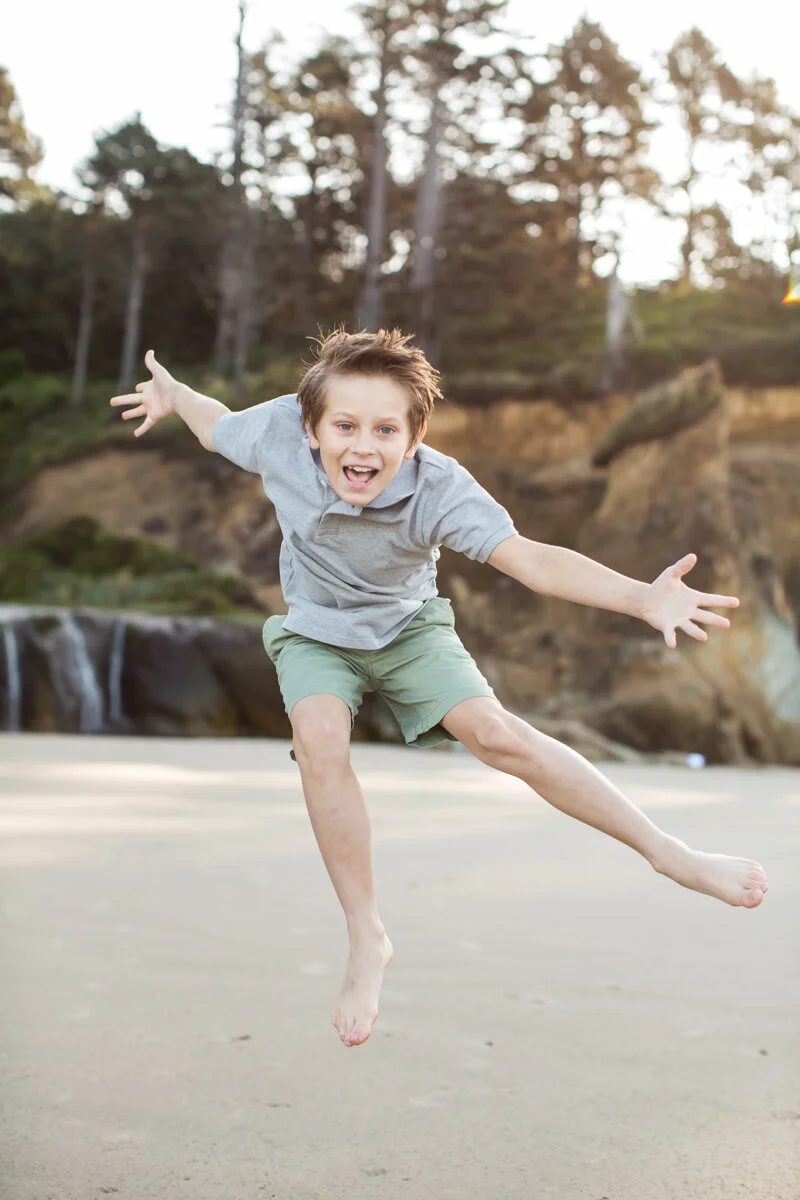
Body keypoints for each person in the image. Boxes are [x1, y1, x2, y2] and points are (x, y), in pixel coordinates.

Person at [110, 329, 768, 1049]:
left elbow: (534, 562)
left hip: (408, 629)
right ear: (311, 427)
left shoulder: (442, 488)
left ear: (415, 437)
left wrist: (643, 597)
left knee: (497, 735)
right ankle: (367, 937)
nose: (363, 447)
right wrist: (174, 395)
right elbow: (214, 424)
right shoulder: (273, 434)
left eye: (386, 430)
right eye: (346, 427)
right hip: (317, 632)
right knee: (320, 738)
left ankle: (669, 851)